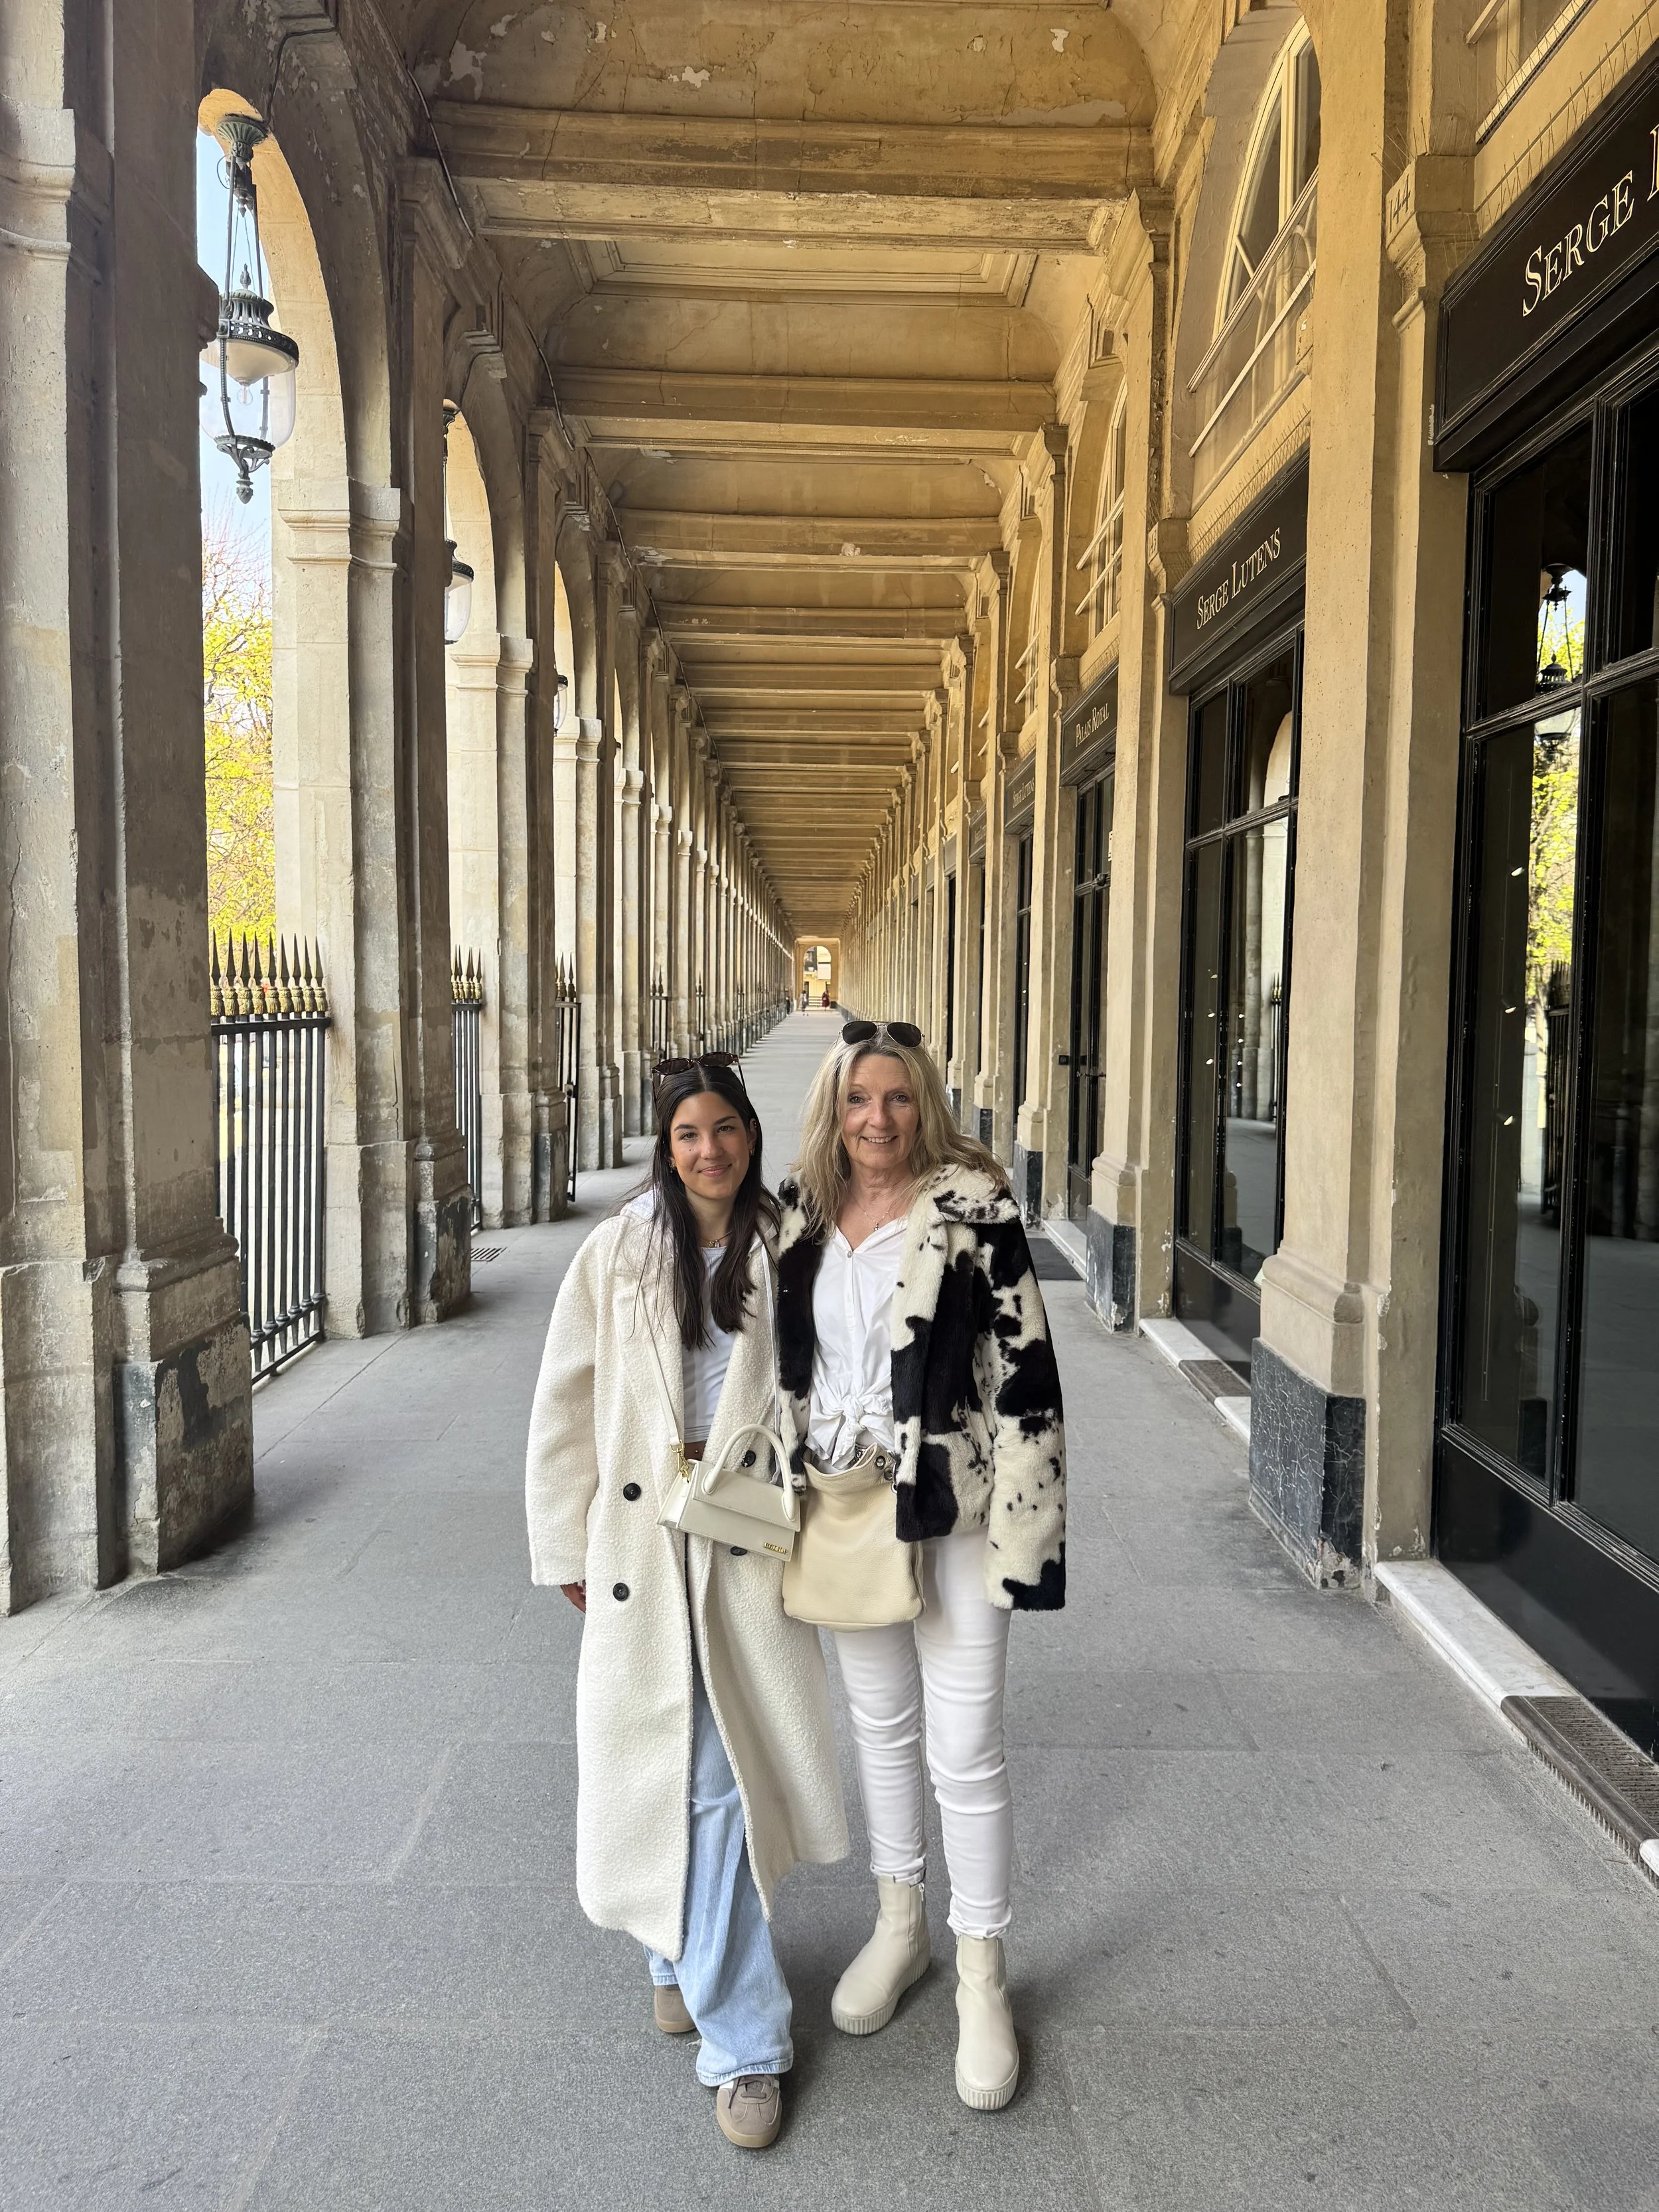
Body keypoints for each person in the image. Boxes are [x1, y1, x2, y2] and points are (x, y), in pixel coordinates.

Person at [525, 1058, 847, 2150]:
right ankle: (698, 1973)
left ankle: (738, 2035)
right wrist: (561, 1538)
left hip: (747, 1526)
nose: (709, 1150)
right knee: (664, 1748)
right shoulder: (619, 1251)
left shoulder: (792, 1243)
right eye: (686, 1136)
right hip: (643, 1531)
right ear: (665, 1149)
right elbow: (566, 1402)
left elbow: (831, 1375)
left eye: (724, 1128)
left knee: (717, 1769)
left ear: (751, 1133)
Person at [773, 1019, 1065, 2112]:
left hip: (956, 1512)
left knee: (966, 1748)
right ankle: (899, 1926)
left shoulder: (973, 1205)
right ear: (834, 1108)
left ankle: (982, 1971)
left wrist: (1029, 1544)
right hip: (844, 1509)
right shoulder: (802, 1212)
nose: (877, 1120)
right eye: (859, 1101)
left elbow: (1026, 1374)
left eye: (896, 1099)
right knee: (879, 1730)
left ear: (922, 1102)